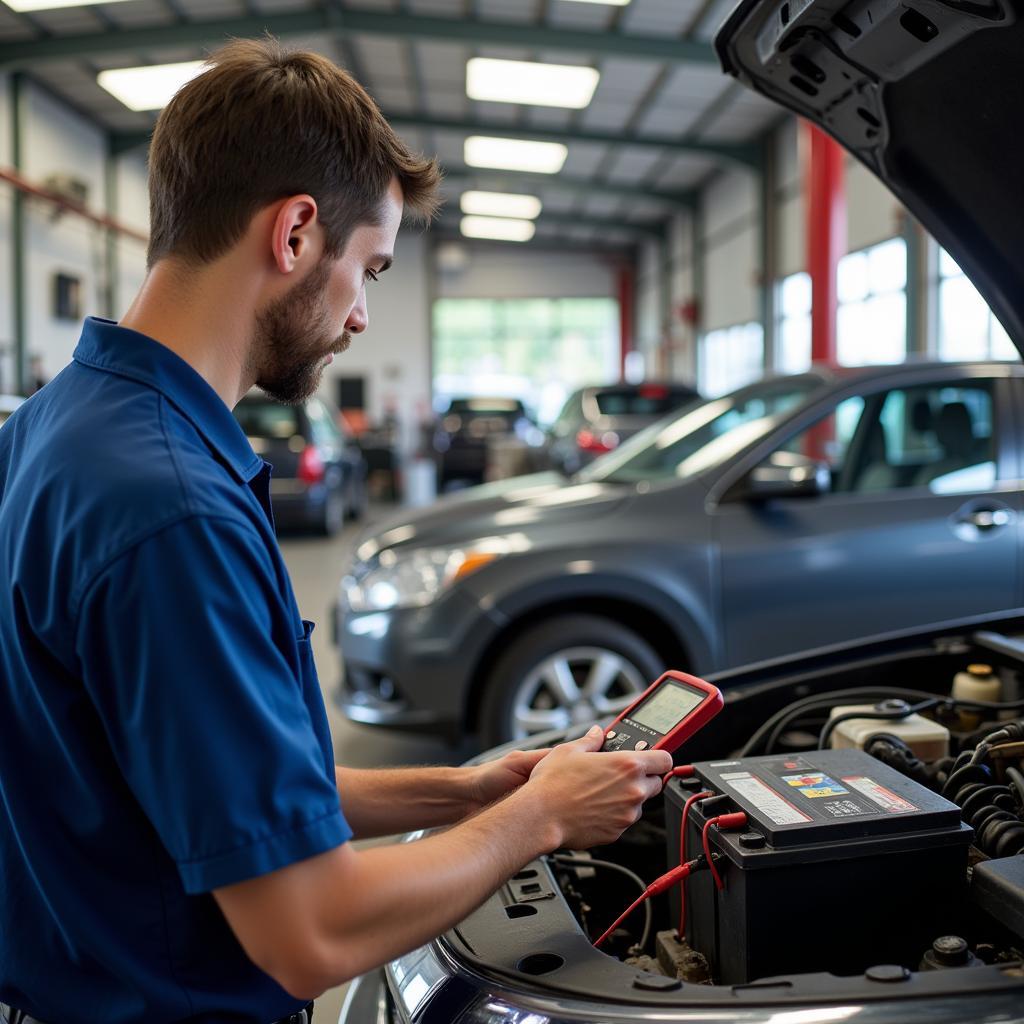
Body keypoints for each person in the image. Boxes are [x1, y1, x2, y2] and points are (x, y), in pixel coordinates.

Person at [0, 40, 673, 1024]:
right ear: (296, 233)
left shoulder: (50, 430)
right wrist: (539, 818)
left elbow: (224, 787)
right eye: (370, 267)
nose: (360, 315)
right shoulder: (171, 508)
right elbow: (310, 931)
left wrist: (467, 790)